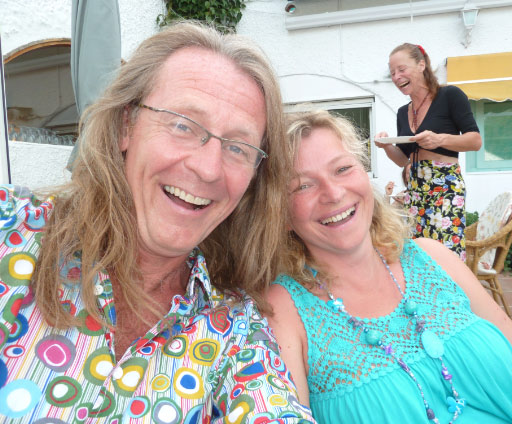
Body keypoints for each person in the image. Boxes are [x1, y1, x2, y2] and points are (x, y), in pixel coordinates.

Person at [0, 21, 315, 423]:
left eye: (238, 147)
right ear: (125, 126)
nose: (207, 169)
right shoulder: (13, 231)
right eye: (183, 125)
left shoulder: (235, 330)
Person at [267, 109, 512, 423]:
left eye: (342, 168)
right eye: (302, 186)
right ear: (280, 213)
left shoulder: (432, 257)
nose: (334, 193)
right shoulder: (284, 309)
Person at [374, 43, 482, 261]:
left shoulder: (449, 95)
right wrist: (386, 146)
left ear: (421, 65)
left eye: (402, 69)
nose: (396, 77)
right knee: (420, 252)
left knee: (446, 252)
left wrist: (439, 139)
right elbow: (402, 159)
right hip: (415, 186)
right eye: (392, 73)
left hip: (445, 184)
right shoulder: (403, 112)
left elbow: (475, 141)